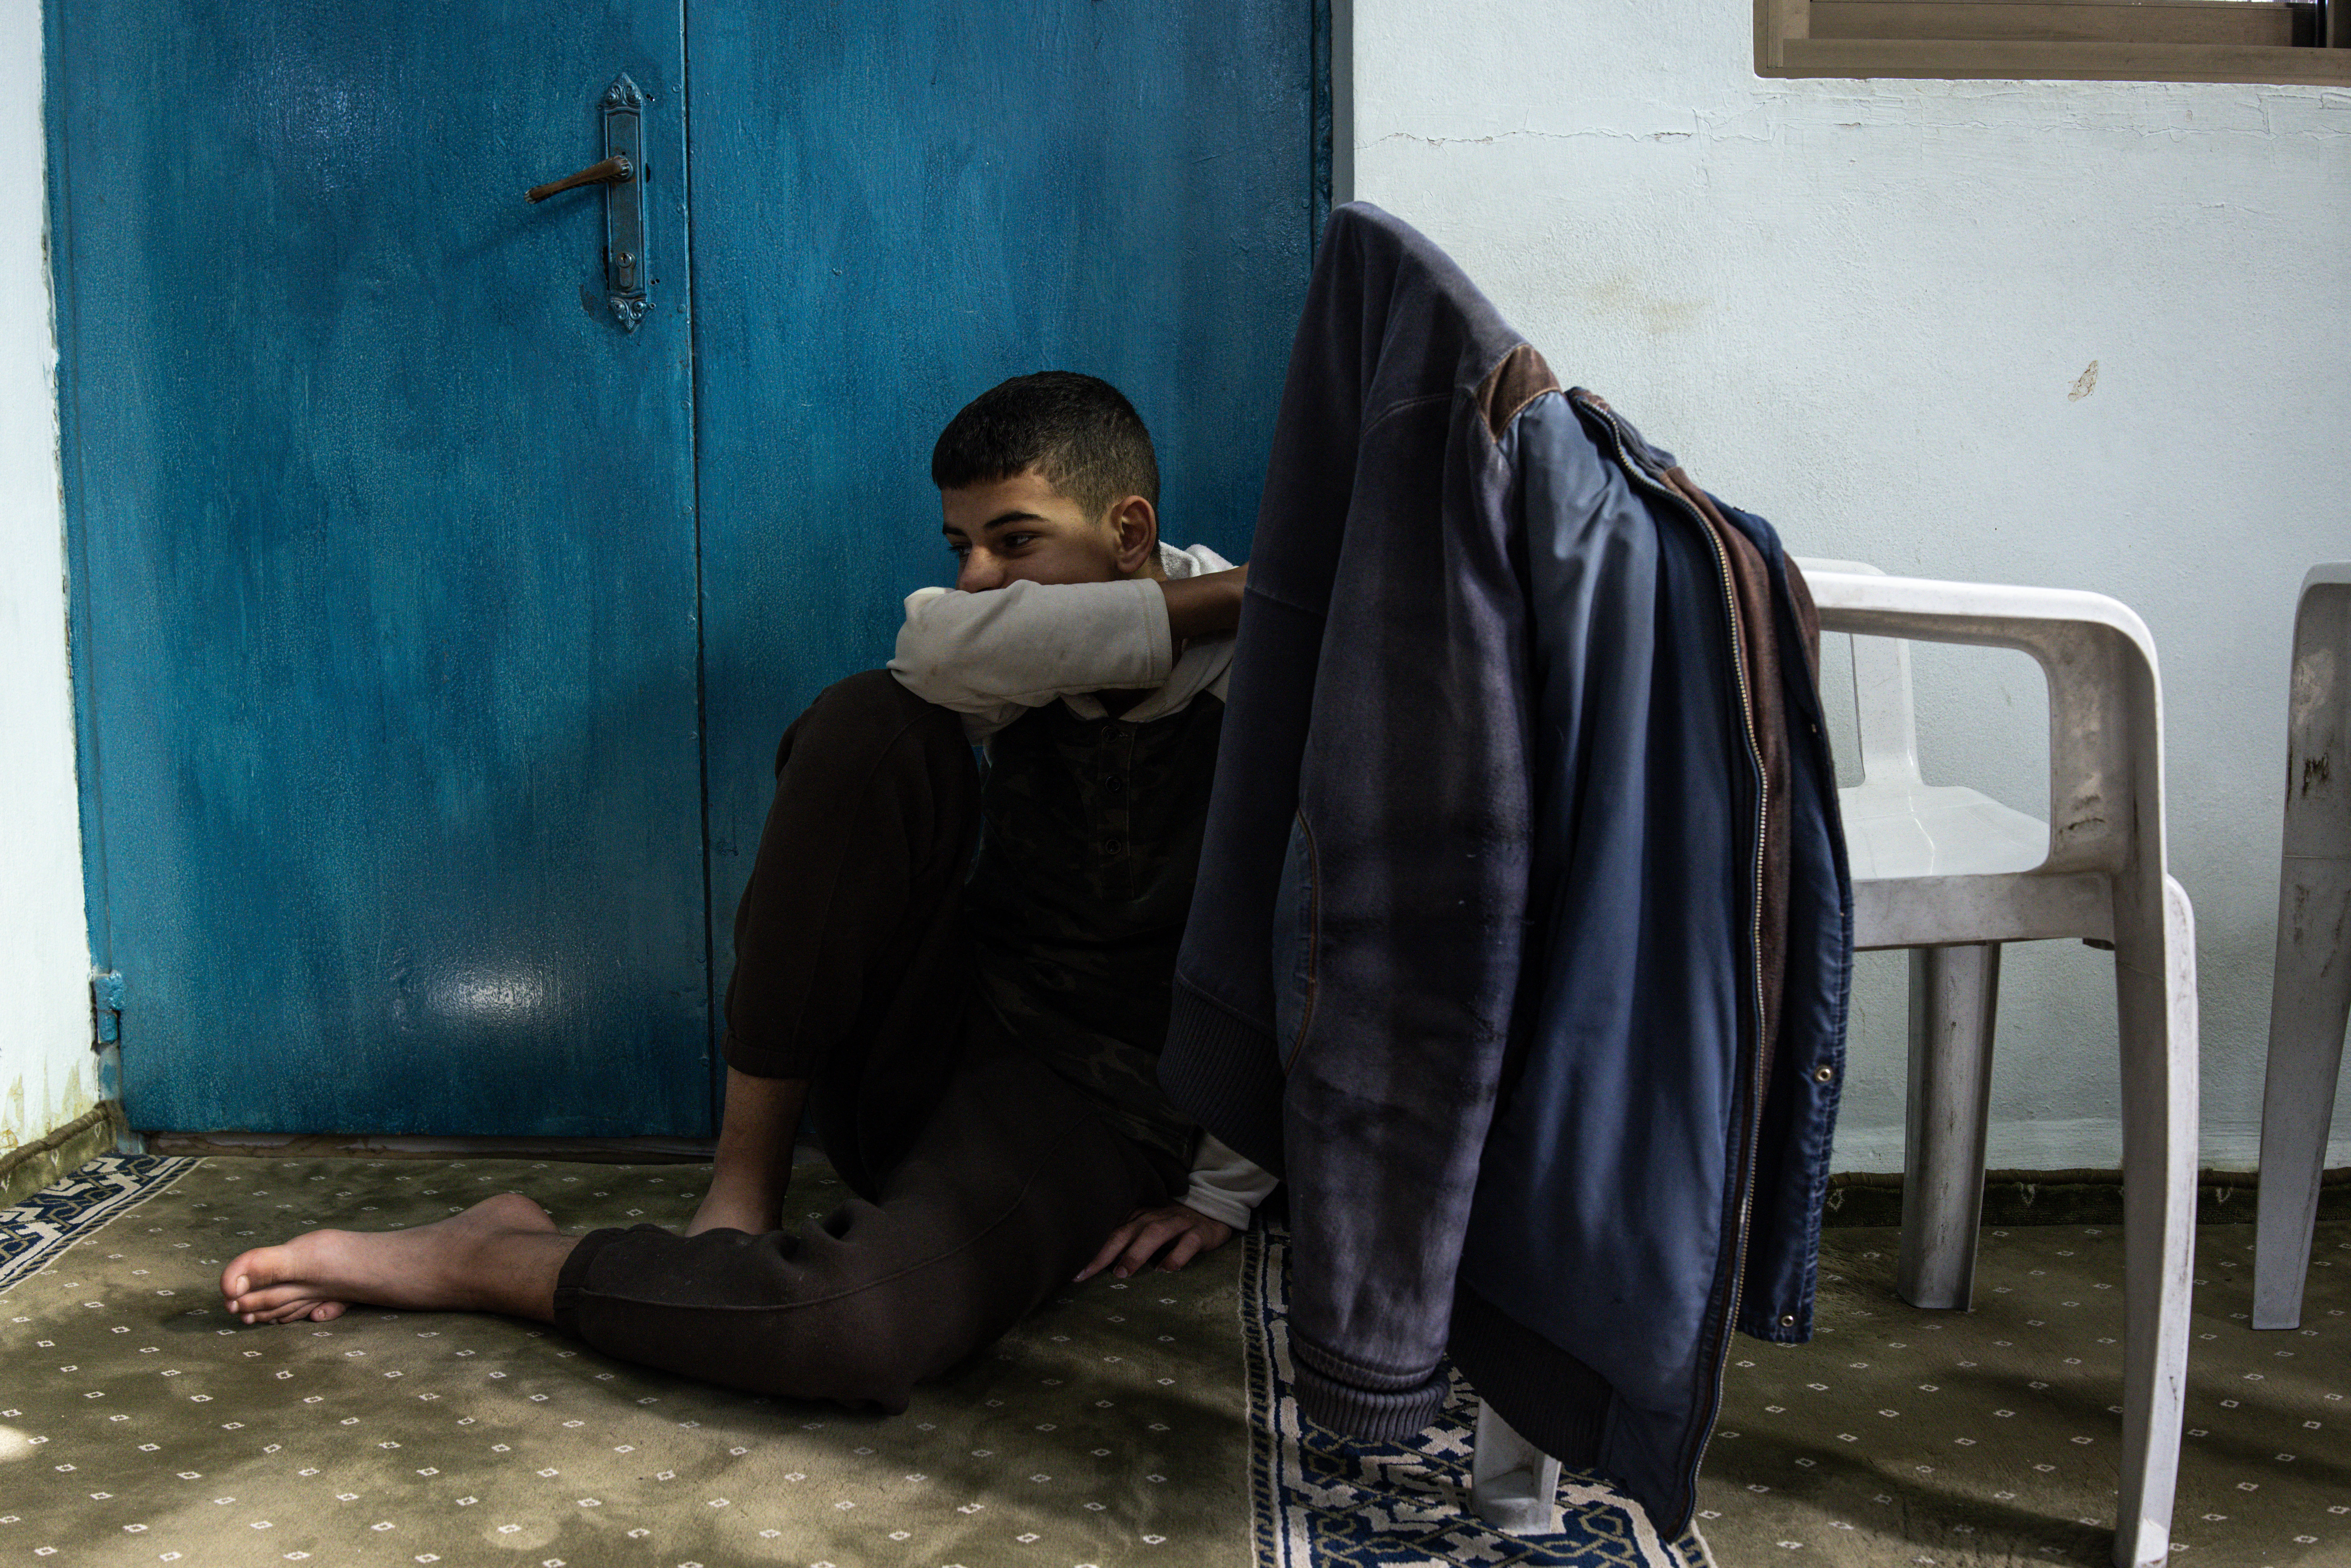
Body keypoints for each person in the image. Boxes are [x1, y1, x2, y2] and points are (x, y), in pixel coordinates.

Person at [218, 372, 1274, 1412]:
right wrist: (1253, 593)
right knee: (870, 721)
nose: (978, 579)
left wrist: (1226, 1183)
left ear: (1131, 533)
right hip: (927, 1043)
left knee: (850, 1328)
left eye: (1016, 539)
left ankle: (482, 1258)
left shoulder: (1260, 691)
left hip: (1089, 1103)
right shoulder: (1009, 643)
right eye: (961, 546)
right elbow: (934, 646)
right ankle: (743, 1181)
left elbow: (1315, 935)